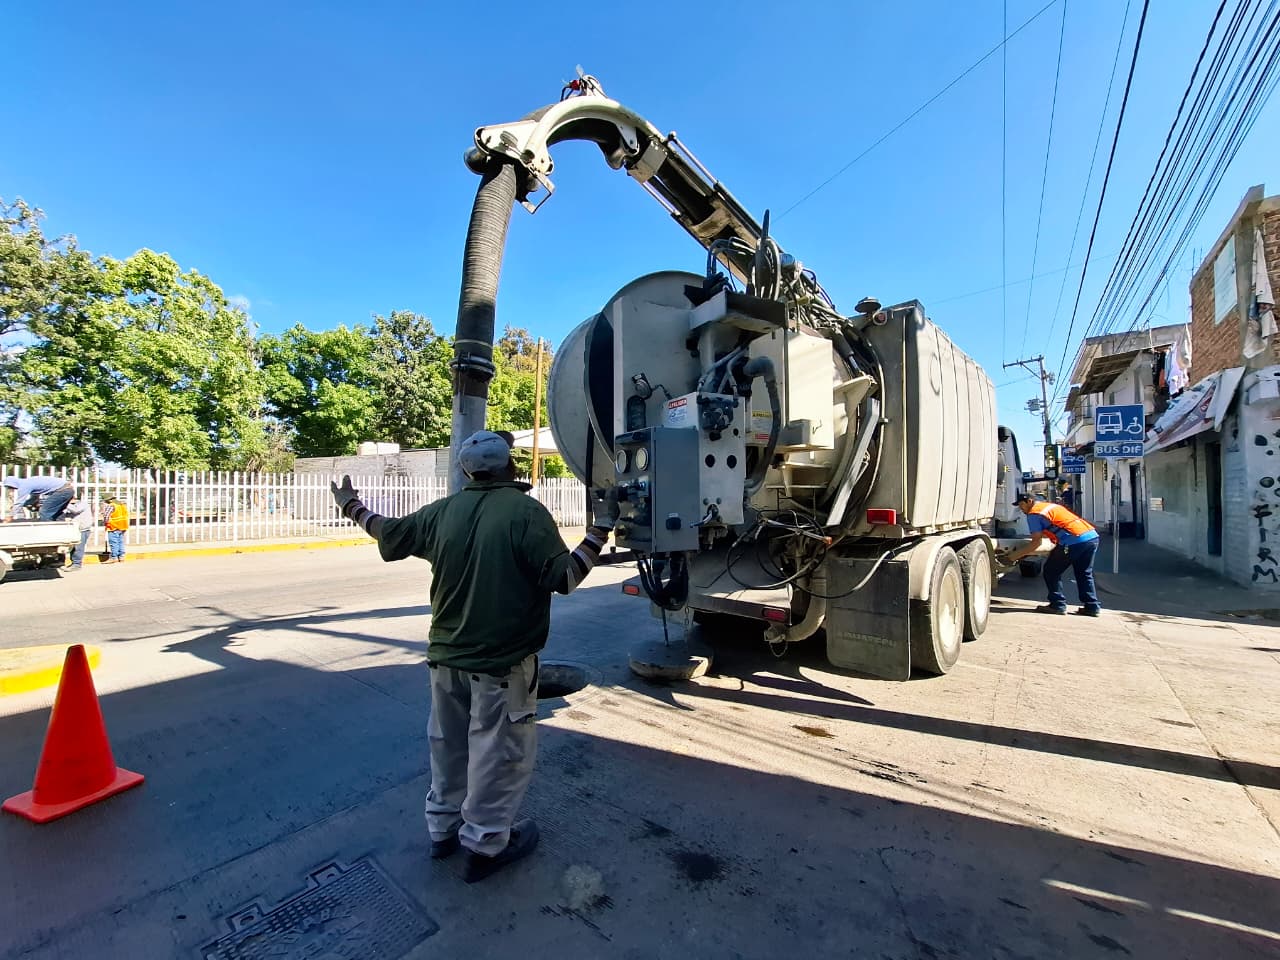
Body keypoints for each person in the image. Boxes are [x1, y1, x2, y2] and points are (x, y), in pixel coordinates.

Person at [329, 429, 617, 883]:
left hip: (444, 661)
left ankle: (442, 831)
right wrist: (601, 529)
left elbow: (387, 532)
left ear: (467, 471)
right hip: (501, 666)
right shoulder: (526, 512)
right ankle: (484, 846)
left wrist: (350, 504)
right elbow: (564, 578)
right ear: (511, 467)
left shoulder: (443, 512)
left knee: (448, 746)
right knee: (498, 755)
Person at [1004, 492, 1101, 617]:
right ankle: (1092, 607)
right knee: (1084, 573)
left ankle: (1057, 605)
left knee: (1051, 571)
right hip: (1091, 537)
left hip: (1073, 541)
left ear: (1029, 501)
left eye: (1022, 505)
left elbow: (1036, 543)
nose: (1021, 509)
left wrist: (1013, 557)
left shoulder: (1034, 513)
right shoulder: (1051, 506)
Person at [1, 475, 75, 521]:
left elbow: (19, 503)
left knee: (44, 512)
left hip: (62, 491)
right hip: (68, 490)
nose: (11, 489)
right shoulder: (29, 482)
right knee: (56, 512)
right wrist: (26, 505)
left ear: (13, 484)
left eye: (10, 487)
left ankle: (49, 534)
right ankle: (62, 531)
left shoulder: (23, 486)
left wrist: (10, 516)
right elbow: (33, 499)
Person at [63, 496, 94, 570]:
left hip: (83, 529)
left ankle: (77, 564)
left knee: (78, 548)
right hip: (76, 529)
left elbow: (76, 510)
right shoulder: (72, 506)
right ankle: (74, 563)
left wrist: (65, 503)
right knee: (73, 548)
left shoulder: (82, 504)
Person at [103, 496, 130, 563]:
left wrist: (106, 523)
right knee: (120, 541)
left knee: (113, 542)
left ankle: (114, 557)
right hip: (122, 526)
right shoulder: (121, 505)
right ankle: (121, 556)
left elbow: (106, 516)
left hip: (114, 526)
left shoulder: (111, 505)